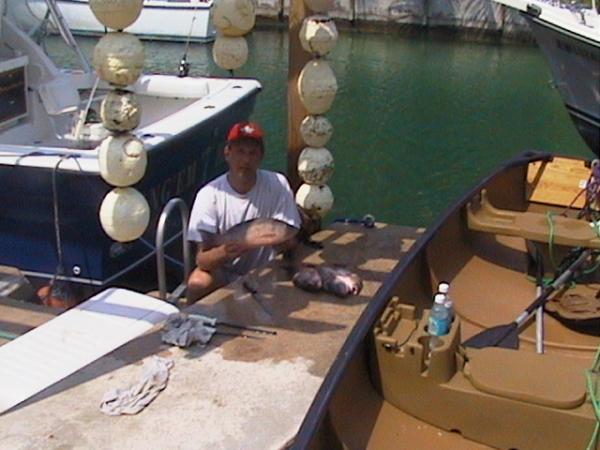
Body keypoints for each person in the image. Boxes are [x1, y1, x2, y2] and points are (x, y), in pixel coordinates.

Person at [187, 121, 301, 302]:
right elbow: (202, 261)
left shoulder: (278, 183)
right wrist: (226, 251)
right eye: (240, 152)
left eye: (252, 153)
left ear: (261, 156)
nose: (246, 160)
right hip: (224, 273)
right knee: (197, 282)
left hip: (268, 270)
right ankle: (191, 325)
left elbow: (290, 241)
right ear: (227, 153)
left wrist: (280, 242)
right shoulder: (209, 194)